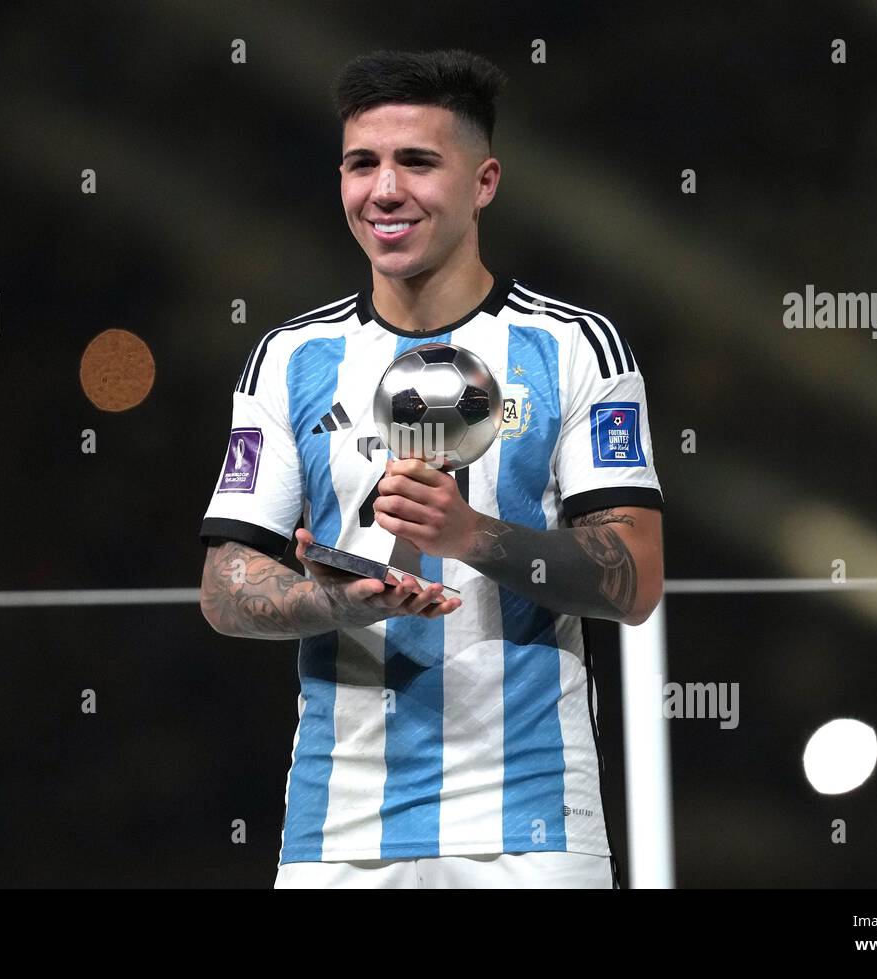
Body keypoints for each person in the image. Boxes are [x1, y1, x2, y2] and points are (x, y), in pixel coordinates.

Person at [199, 49, 664, 888]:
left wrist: (471, 534)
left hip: (532, 825)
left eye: (417, 161)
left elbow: (634, 578)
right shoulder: (288, 358)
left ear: (484, 182)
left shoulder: (572, 347)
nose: (384, 189)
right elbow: (226, 586)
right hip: (337, 828)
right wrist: (327, 599)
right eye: (361, 163)